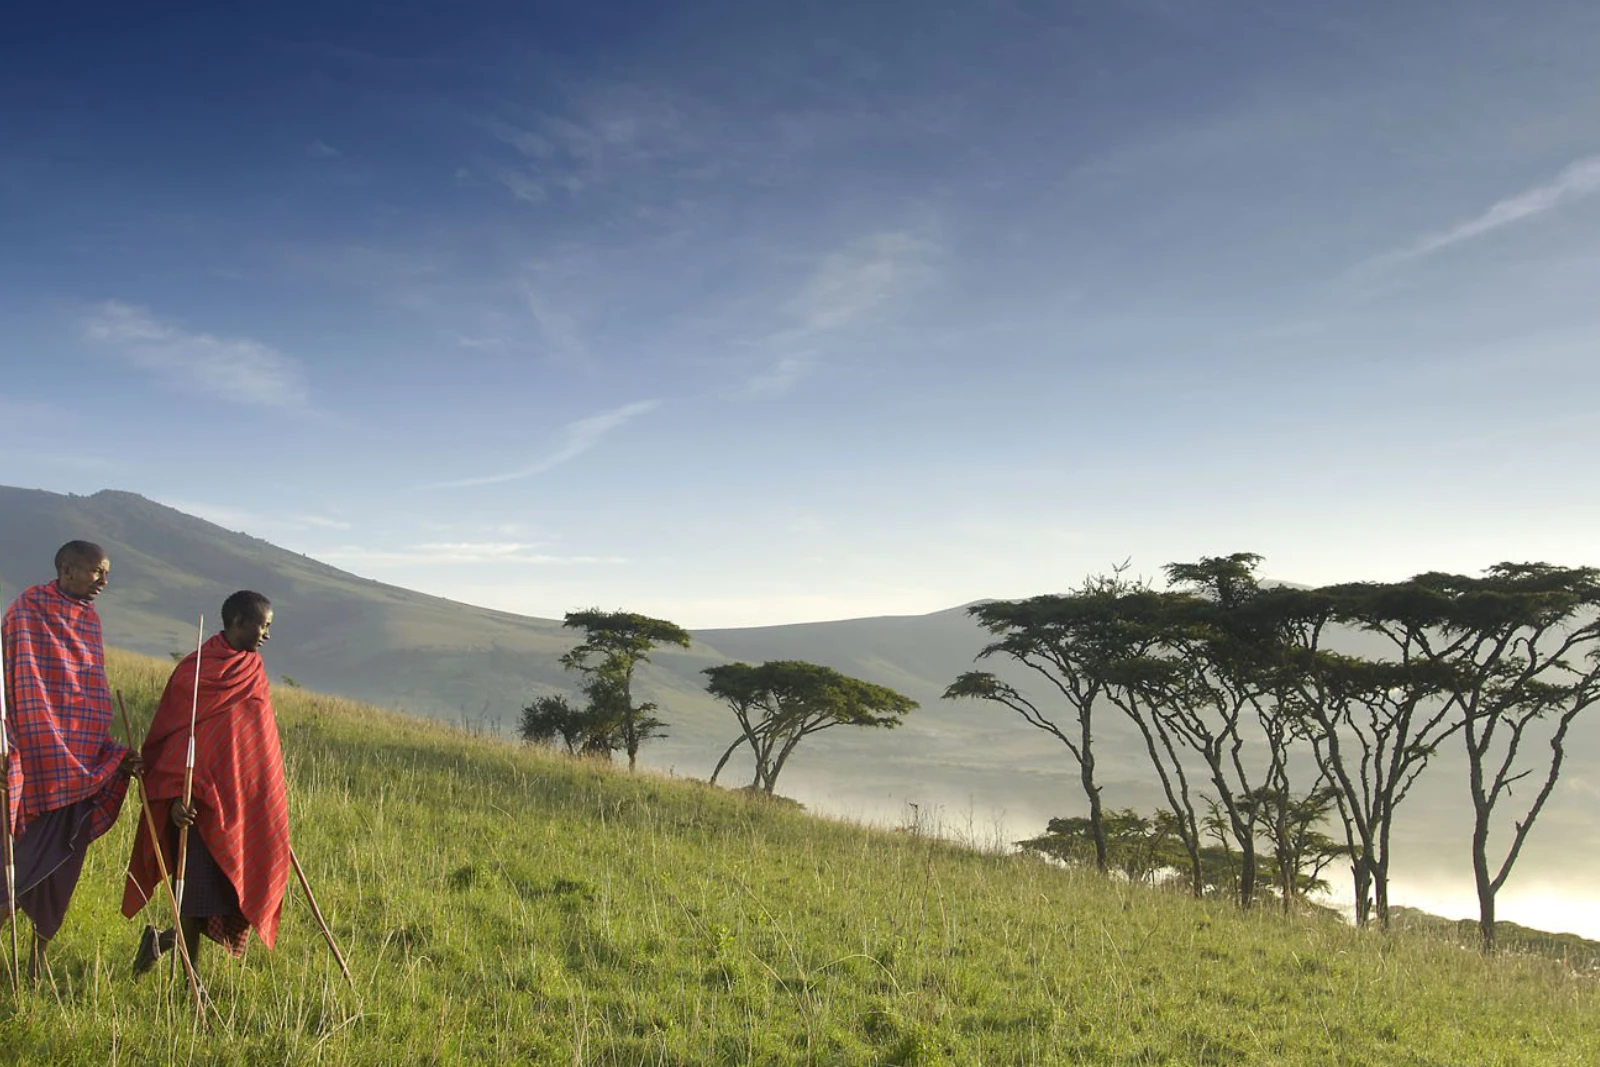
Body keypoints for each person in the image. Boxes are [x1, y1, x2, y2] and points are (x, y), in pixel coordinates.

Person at [123, 590, 291, 982]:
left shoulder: (253, 670)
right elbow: (171, 739)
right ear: (238, 622)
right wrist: (174, 798)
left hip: (236, 803)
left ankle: (161, 943)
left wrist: (261, 798)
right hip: (195, 805)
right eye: (262, 625)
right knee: (195, 895)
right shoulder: (195, 672)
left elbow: (255, 743)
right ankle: (191, 980)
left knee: (219, 896)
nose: (267, 634)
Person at [1, 540, 137, 979]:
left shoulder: (90, 622)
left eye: (107, 573)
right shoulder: (27, 611)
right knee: (13, 864)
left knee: (63, 865)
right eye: (97, 571)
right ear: (67, 569)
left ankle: (37, 957)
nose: (104, 580)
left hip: (80, 765)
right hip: (33, 761)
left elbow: (89, 692)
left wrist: (112, 755)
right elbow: (13, 683)